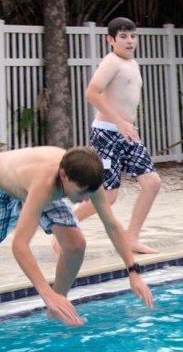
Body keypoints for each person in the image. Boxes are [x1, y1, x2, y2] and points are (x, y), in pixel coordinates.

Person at [0, 146, 154, 326]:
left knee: (75, 245)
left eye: (88, 194)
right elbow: (20, 245)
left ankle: (58, 307)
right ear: (63, 175)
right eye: (79, 193)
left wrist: (133, 271)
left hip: (29, 186)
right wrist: (45, 293)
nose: (85, 200)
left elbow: (112, 226)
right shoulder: (45, 183)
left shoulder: (88, 181)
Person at [69, 17, 162, 254]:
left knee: (151, 183)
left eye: (132, 36)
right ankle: (64, 226)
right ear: (110, 40)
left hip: (127, 133)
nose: (129, 41)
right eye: (123, 37)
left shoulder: (134, 64)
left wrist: (127, 124)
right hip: (107, 134)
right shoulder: (111, 62)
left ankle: (131, 239)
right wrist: (119, 122)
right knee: (108, 196)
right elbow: (91, 93)